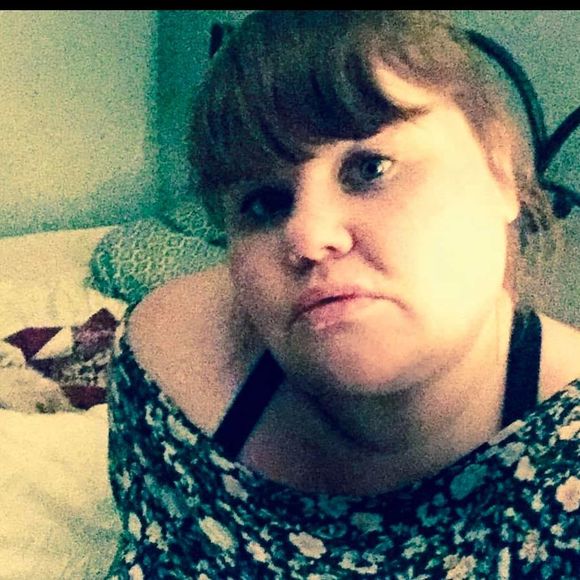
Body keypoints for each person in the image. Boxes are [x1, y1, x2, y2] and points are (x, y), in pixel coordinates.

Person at [106, 10, 580, 578]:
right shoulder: (165, 379)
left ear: (500, 174)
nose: (307, 237)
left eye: (369, 168)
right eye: (265, 203)